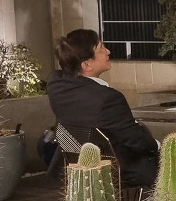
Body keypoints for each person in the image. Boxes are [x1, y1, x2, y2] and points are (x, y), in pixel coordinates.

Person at [47, 29, 159, 187]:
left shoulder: (55, 84)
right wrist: (158, 145)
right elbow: (136, 140)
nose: (108, 51)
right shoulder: (108, 98)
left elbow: (60, 73)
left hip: (74, 164)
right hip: (115, 168)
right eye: (101, 49)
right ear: (86, 65)